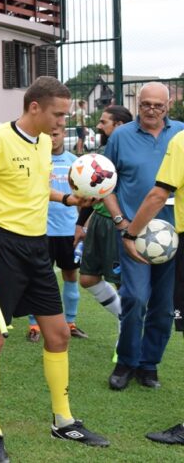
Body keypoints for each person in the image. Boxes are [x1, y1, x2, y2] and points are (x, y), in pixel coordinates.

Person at [0, 77, 110, 462]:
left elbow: (35, 187)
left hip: (37, 248)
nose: (62, 122)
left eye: (65, 115)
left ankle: (63, 420)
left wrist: (67, 198)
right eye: (58, 114)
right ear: (34, 107)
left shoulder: (42, 143)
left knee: (58, 335)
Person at [102, 82, 184, 390]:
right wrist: (121, 222)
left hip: (173, 235)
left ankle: (149, 365)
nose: (152, 110)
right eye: (146, 104)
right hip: (133, 234)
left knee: (164, 307)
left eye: (158, 105)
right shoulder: (121, 136)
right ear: (138, 103)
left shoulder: (180, 133)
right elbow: (105, 183)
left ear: (168, 107)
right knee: (135, 298)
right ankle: (126, 361)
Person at [120, 129, 184, 444]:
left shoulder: (181, 140)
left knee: (163, 307)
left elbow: (159, 195)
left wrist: (131, 233)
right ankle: (130, 363)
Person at [75, 106, 132, 324]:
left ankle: (126, 335)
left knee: (122, 283)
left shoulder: (129, 151)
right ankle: (127, 320)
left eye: (103, 122)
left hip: (116, 222)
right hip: (98, 221)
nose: (98, 126)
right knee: (87, 278)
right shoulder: (103, 150)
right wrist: (81, 224)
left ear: (119, 125)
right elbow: (95, 190)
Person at [26, 127, 84, 343]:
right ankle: (34, 325)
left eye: (56, 134)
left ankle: (70, 323)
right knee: (38, 277)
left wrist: (82, 225)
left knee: (70, 275)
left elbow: (83, 196)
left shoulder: (75, 162)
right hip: (41, 230)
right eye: (47, 135)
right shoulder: (36, 160)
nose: (51, 139)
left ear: (63, 135)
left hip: (69, 231)